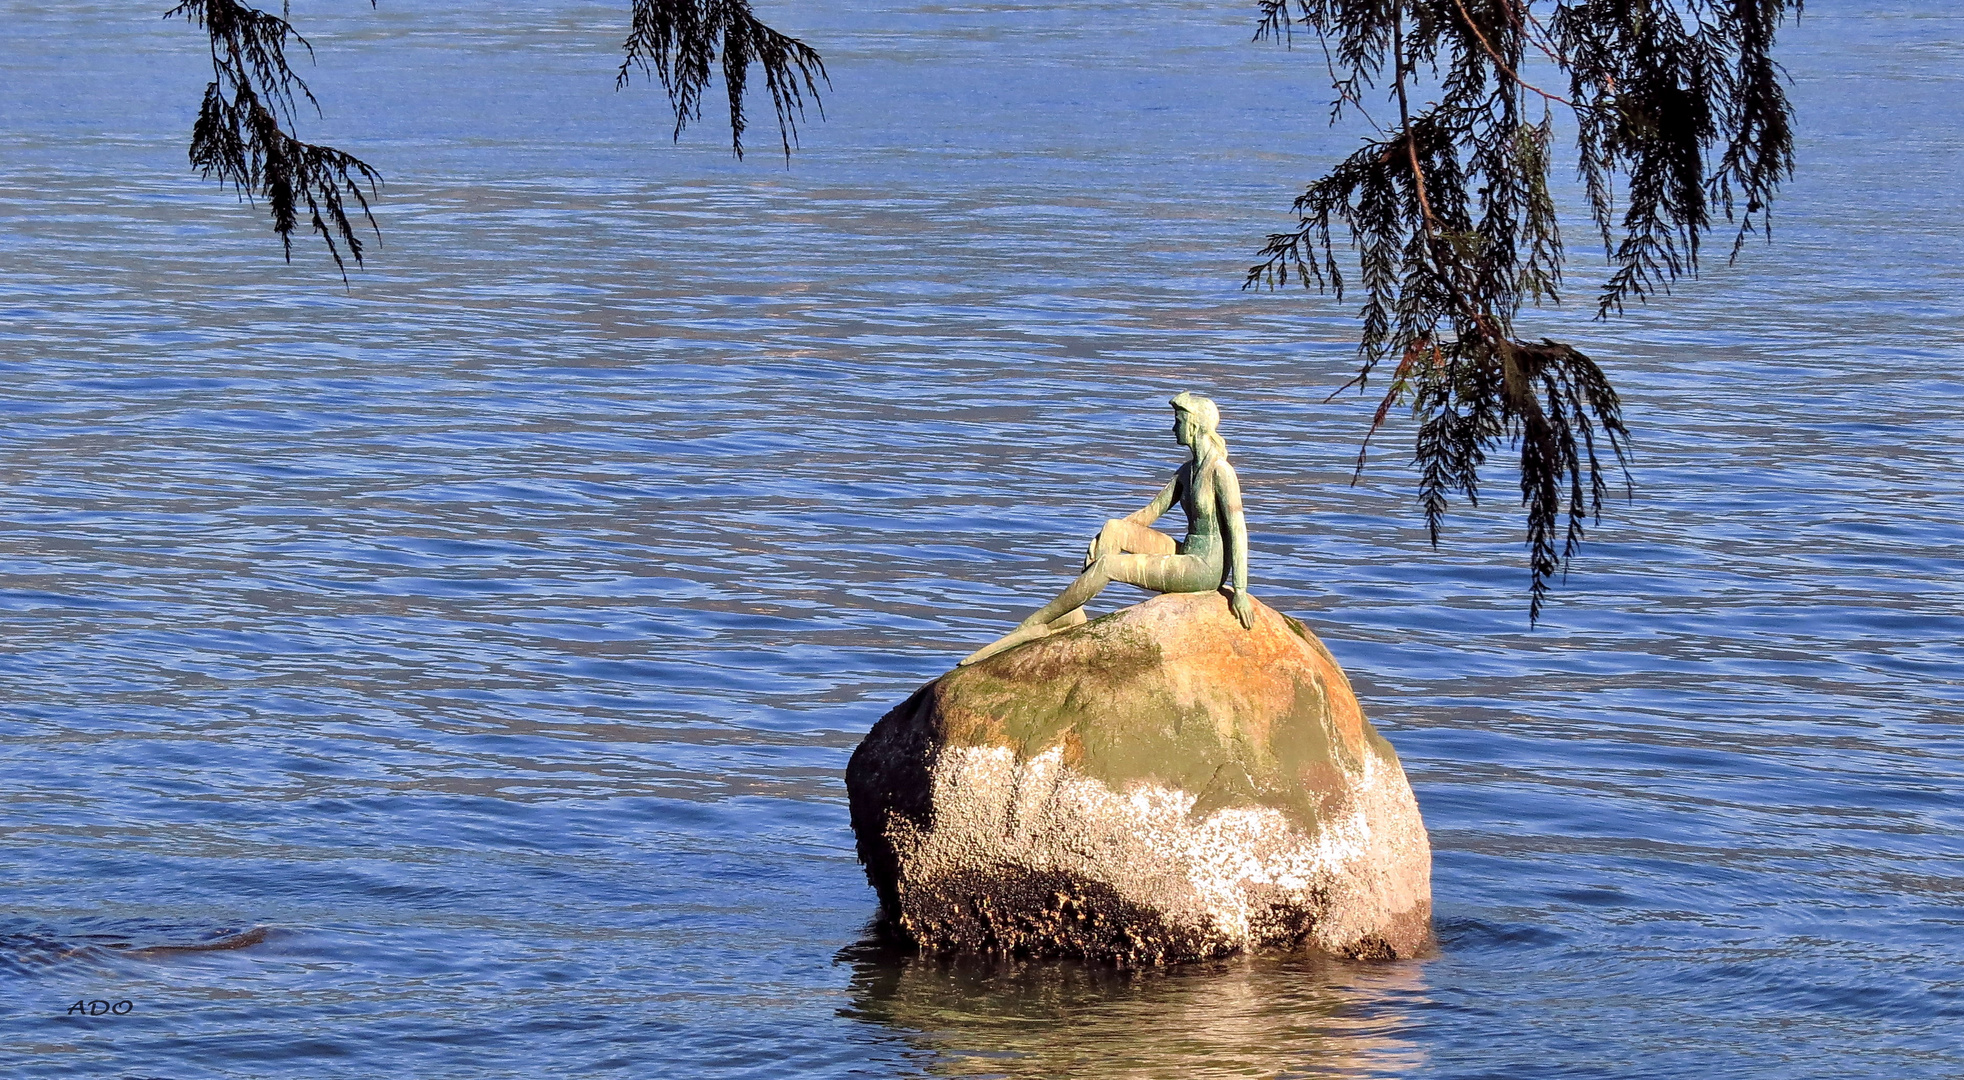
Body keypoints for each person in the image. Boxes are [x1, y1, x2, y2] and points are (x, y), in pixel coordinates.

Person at [958, 392, 1255, 667]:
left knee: (1109, 566)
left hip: (1205, 568)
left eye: (1177, 422)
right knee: (1114, 528)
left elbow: (1238, 531)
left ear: (1193, 424)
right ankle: (1073, 613)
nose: (1172, 429)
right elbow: (1148, 514)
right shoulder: (1186, 472)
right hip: (1188, 552)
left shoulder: (1220, 471)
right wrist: (1107, 536)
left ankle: (1036, 623)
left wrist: (1239, 591)